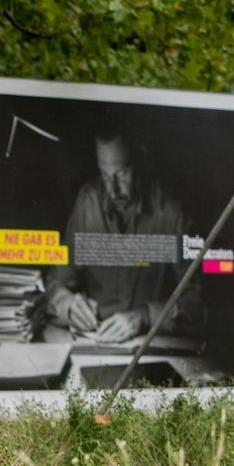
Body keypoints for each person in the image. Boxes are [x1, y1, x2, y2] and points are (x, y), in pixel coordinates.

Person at [45, 126, 200, 344]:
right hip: (96, 340)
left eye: (123, 174)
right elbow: (54, 281)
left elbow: (197, 299)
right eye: (105, 176)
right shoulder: (87, 203)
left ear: (141, 163)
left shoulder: (171, 209)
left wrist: (145, 316)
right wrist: (68, 305)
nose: (113, 190)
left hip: (151, 343)